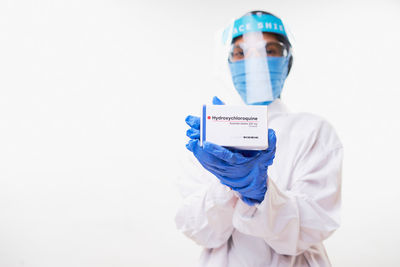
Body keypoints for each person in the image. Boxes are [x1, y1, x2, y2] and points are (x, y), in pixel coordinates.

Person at [176, 10, 343, 267]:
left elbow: (312, 227)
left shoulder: (313, 131)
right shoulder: (209, 135)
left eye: (270, 50)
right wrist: (226, 185)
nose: (255, 61)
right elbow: (199, 230)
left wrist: (260, 193)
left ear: (287, 62)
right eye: (241, 53)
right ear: (229, 64)